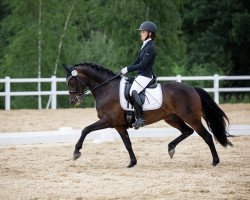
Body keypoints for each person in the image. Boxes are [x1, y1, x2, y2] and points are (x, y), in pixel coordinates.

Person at [120, 21, 157, 129]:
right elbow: (137, 61)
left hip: (146, 76)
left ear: (150, 34)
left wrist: (128, 69)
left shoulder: (150, 47)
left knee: (133, 91)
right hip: (141, 75)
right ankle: (131, 114)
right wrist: (126, 70)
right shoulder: (145, 45)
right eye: (141, 31)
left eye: (143, 32)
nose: (141, 33)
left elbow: (142, 64)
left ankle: (140, 119)